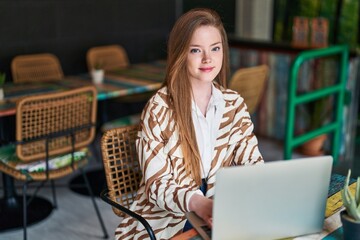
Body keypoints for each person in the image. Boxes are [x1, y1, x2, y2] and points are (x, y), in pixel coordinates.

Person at [115, 8, 264, 240]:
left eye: (215, 48)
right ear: (180, 54)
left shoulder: (233, 103)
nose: (208, 59)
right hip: (164, 221)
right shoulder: (159, 107)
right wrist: (199, 203)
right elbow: (157, 184)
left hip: (218, 214)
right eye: (196, 50)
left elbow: (252, 161)